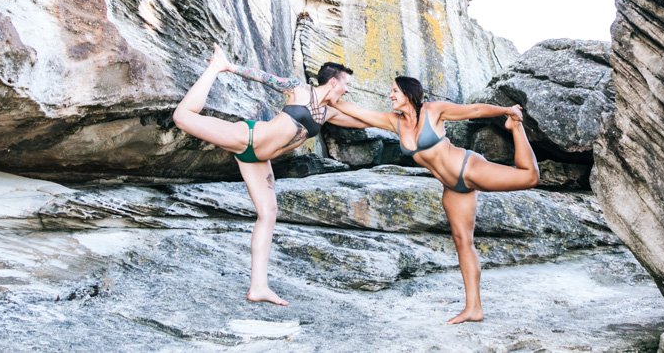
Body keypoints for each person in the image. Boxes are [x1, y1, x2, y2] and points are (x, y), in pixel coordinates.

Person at [172, 45, 367, 306]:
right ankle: (213, 68)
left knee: (268, 213)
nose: (347, 90)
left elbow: (363, 120)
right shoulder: (298, 89)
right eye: (346, 85)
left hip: (259, 159)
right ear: (333, 82)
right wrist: (228, 67)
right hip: (246, 137)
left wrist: (401, 120)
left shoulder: (329, 112)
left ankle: (259, 287)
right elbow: (262, 77)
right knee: (182, 117)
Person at [335, 75, 539, 324]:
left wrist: (507, 111)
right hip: (452, 188)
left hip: (468, 168)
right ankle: (473, 308)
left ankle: (516, 127)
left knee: (529, 177)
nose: (390, 96)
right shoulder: (395, 122)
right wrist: (328, 95)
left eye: (395, 91)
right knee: (463, 242)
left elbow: (473, 110)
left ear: (409, 93)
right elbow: (358, 112)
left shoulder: (433, 111)